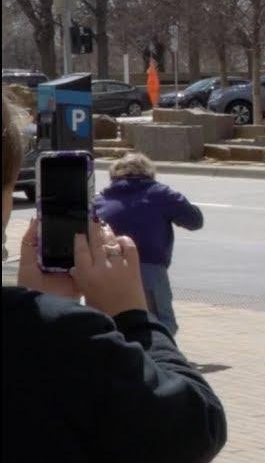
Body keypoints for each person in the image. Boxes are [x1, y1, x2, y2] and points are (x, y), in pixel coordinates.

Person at [1, 90, 226, 462]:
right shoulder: (53, 337)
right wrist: (133, 318)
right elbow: (196, 427)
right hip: (136, 275)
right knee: (163, 317)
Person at [93, 153, 204, 336]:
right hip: (149, 267)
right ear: (149, 173)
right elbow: (195, 220)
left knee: (113, 319)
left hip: (109, 267)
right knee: (162, 322)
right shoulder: (160, 193)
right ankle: (161, 359)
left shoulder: (99, 199)